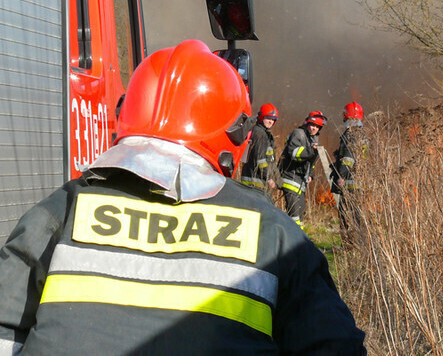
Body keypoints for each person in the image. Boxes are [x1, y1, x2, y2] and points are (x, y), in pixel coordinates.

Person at [0, 40, 365, 355]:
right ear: (235, 136)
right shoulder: (273, 234)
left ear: (126, 116)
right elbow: (335, 345)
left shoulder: (61, 210)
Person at [277, 111, 326, 230]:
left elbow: (312, 162)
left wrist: (310, 175)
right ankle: (294, 238)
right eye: (313, 125)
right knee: (294, 212)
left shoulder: (313, 139)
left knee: (301, 210)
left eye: (317, 127)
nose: (314, 128)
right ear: (307, 123)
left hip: (300, 179)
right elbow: (294, 153)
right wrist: (311, 150)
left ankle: (298, 237)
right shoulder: (298, 134)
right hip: (290, 176)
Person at [331, 102, 367, 235]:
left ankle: (348, 245)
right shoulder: (363, 134)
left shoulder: (351, 134)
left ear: (347, 117)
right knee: (357, 214)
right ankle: (357, 242)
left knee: (345, 214)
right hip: (360, 180)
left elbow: (348, 158)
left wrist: (342, 176)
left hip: (350, 181)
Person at [240, 103, 279, 194]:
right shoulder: (260, 134)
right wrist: (269, 178)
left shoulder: (261, 132)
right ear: (262, 117)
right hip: (254, 182)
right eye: (268, 118)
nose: (271, 122)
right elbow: (260, 160)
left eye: (273, 119)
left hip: (253, 180)